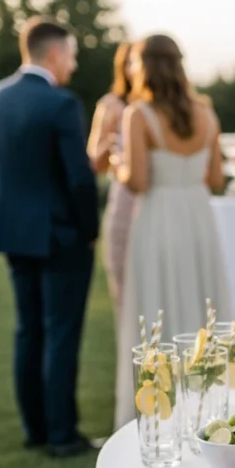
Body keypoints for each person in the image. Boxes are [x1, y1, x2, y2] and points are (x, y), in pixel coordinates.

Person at [0, 17, 100, 457]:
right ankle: (62, 436)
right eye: (72, 55)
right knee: (61, 332)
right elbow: (80, 179)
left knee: (28, 330)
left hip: (12, 233)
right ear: (54, 53)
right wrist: (89, 231)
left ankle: (36, 430)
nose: (74, 64)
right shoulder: (61, 103)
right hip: (61, 236)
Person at [113, 34, 231, 429]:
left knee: (156, 306)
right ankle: (208, 406)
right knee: (201, 304)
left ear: (144, 67)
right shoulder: (206, 113)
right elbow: (216, 179)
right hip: (198, 217)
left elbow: (138, 181)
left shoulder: (138, 114)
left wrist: (117, 164)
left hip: (158, 219)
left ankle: (158, 411)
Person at [88, 42, 135, 314]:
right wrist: (111, 140)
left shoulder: (161, 107)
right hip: (125, 198)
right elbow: (94, 162)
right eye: (129, 63)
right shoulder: (110, 105)